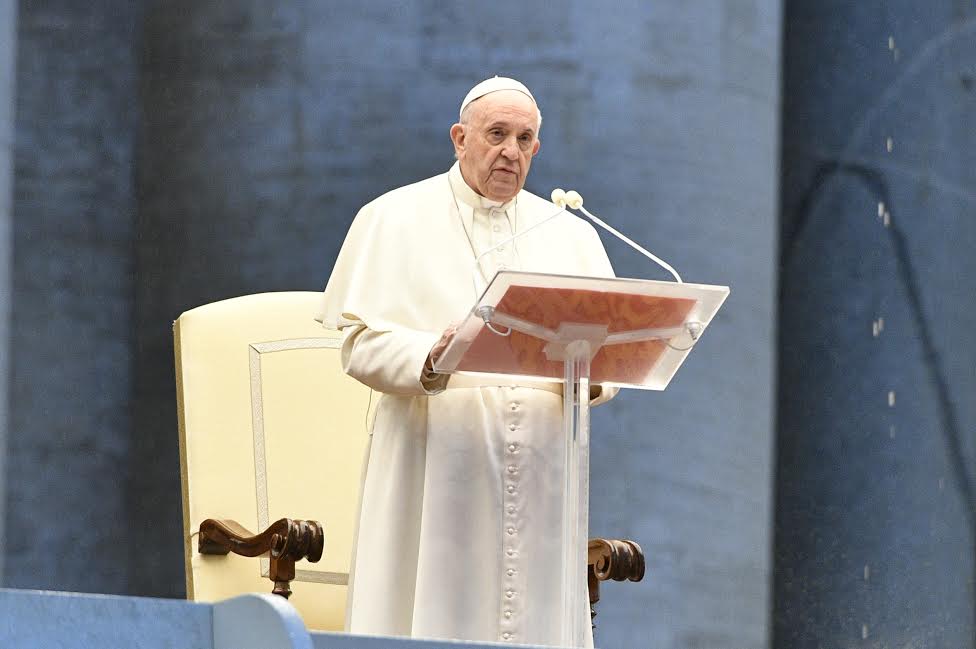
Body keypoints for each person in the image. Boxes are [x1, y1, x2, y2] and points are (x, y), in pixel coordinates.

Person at [318, 77, 616, 646]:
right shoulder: (394, 217)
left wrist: (594, 371)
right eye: (496, 134)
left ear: (536, 149)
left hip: (541, 474)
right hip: (435, 463)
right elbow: (360, 347)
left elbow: (608, 361)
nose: (510, 151)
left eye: (524, 140)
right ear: (460, 138)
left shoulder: (571, 236)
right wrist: (431, 355)